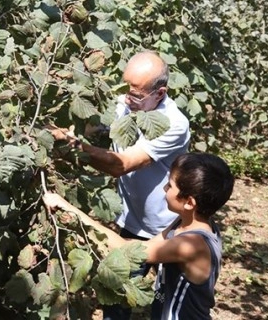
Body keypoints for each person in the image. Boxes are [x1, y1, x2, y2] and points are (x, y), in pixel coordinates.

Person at [47, 51, 190, 318]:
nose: (126, 98)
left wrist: (73, 145)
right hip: (131, 222)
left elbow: (121, 164)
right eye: (125, 88)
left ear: (160, 93)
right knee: (116, 302)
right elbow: (92, 127)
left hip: (169, 229)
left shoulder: (174, 123)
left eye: (135, 94)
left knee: (167, 306)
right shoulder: (128, 103)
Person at [43, 153, 234, 320]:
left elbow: (127, 251)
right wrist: (91, 237)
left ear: (189, 202)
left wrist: (69, 209)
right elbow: (141, 246)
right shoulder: (185, 223)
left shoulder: (191, 244)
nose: (164, 189)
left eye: (170, 185)